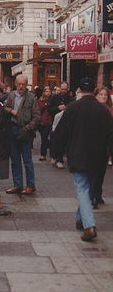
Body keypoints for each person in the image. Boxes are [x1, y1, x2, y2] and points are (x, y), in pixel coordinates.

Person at [53, 77, 113, 242]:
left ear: (78, 90)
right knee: (87, 190)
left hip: (78, 155)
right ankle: (81, 219)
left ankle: (89, 226)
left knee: (81, 188)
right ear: (94, 90)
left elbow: (60, 133)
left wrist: (56, 153)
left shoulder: (72, 108)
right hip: (98, 158)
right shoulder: (103, 111)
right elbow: (111, 135)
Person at [3, 74, 40, 194]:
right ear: (15, 84)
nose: (21, 86)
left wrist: (28, 128)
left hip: (25, 131)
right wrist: (11, 111)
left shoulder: (31, 98)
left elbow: (37, 117)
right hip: (12, 129)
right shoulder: (12, 95)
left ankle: (30, 184)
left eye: (23, 84)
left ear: (26, 84)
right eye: (19, 84)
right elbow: (5, 108)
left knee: (27, 160)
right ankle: (17, 184)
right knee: (15, 159)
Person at [92, 85, 113, 207]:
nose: (103, 97)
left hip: (106, 145)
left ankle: (97, 193)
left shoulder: (110, 109)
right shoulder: (93, 109)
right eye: (101, 94)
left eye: (105, 95)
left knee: (101, 171)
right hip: (93, 144)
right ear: (96, 95)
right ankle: (94, 194)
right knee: (94, 171)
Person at [48, 80, 74, 168]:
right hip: (55, 122)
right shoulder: (54, 98)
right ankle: (53, 156)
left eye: (65, 89)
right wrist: (57, 108)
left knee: (63, 141)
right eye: (62, 89)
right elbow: (49, 109)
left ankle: (60, 159)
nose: (63, 91)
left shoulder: (70, 99)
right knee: (53, 140)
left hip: (65, 123)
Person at [38, 86, 53, 160]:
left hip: (49, 121)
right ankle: (50, 148)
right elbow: (38, 109)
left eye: (49, 92)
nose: (48, 93)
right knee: (44, 138)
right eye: (46, 91)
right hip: (41, 121)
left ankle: (43, 154)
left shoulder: (52, 100)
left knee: (45, 137)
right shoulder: (40, 100)